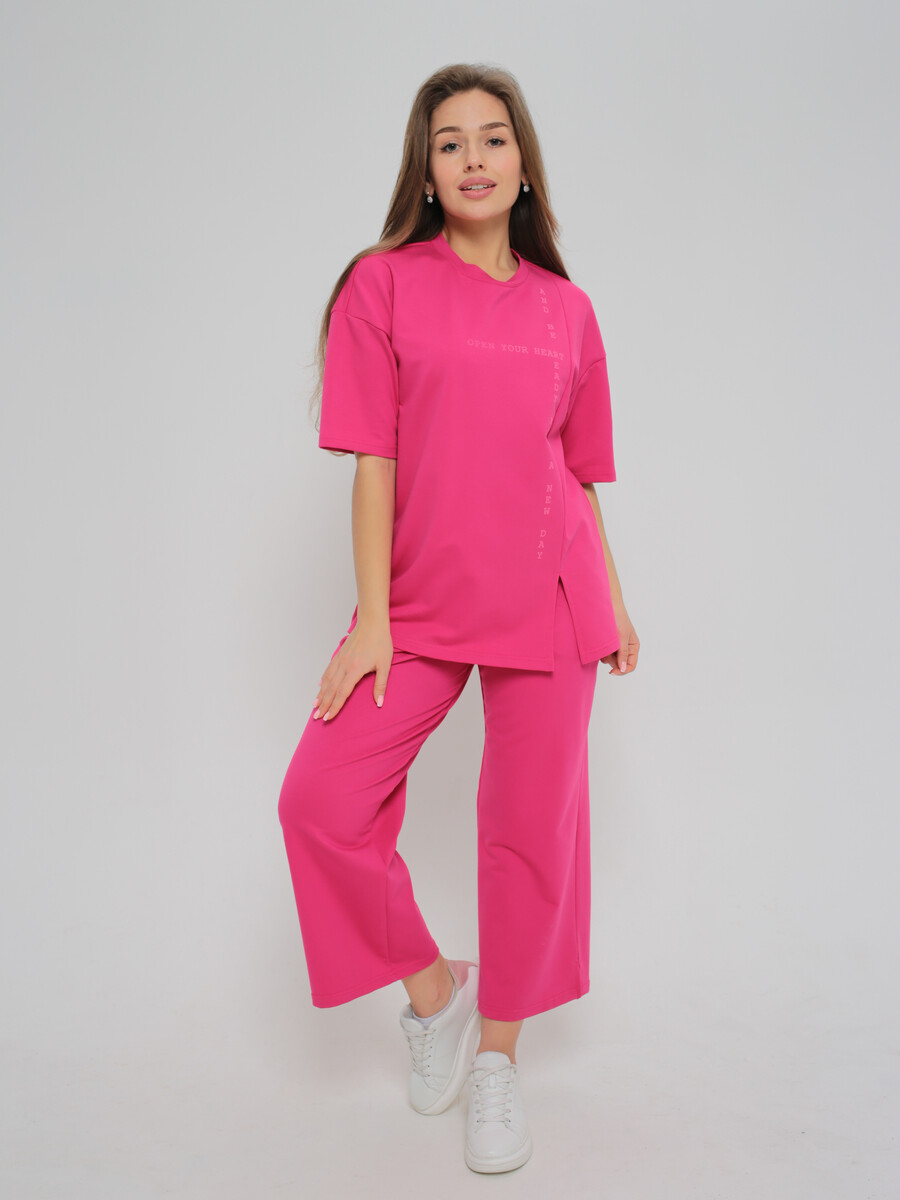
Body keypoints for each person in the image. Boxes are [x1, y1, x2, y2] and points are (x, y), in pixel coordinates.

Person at [277, 62, 640, 1174]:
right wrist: (373, 622)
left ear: (523, 164)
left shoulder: (568, 310)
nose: (473, 157)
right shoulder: (382, 286)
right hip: (422, 604)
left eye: (493, 138)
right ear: (426, 172)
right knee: (320, 803)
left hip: (553, 597)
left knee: (528, 835)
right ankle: (437, 996)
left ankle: (497, 1062)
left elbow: (578, 473)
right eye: (450, 143)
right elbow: (373, 462)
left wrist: (615, 598)